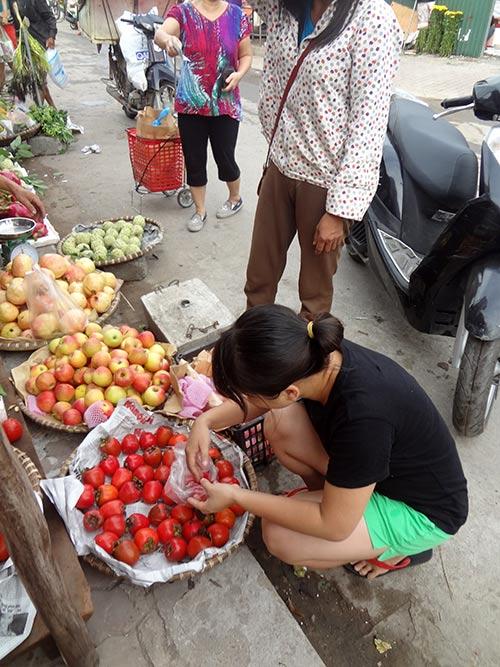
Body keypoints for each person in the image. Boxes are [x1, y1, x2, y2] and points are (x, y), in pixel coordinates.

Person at [186, 305, 468, 579]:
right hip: (380, 471)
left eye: (252, 395)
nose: (249, 402)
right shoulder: (314, 355)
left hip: (421, 510)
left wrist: (237, 497)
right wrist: (205, 422)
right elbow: (268, 403)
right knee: (280, 423)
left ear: (290, 390)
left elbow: (333, 526)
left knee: (278, 534)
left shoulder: (364, 418)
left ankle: (398, 549)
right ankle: (340, 503)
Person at [244, 0, 401, 317]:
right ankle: (252, 351)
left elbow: (368, 123)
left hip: (324, 183)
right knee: (258, 281)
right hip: (279, 165)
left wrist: (340, 212)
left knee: (314, 299)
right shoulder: (283, 8)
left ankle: (307, 363)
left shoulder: (371, 18)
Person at [155, 0, 252, 232]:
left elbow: (246, 54)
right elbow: (160, 33)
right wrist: (168, 40)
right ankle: (199, 211)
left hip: (225, 103)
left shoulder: (237, 16)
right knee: (194, 159)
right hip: (191, 104)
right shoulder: (184, 12)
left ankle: (235, 198)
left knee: (225, 156)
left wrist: (239, 74)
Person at [12, 0, 57, 106]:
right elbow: (17, 22)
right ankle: (52, 108)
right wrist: (18, 37)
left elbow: (50, 17)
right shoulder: (16, 2)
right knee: (36, 80)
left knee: (39, 80)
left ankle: (40, 112)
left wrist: (51, 36)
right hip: (27, 44)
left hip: (42, 42)